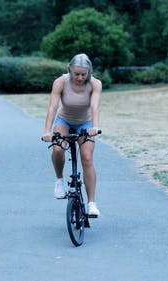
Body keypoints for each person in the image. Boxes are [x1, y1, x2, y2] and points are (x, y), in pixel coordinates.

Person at [42, 53, 102, 217]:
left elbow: (95, 107)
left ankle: (91, 204)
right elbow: (53, 108)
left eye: (84, 74)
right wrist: (47, 131)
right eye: (76, 74)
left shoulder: (95, 84)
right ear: (70, 70)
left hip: (85, 123)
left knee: (87, 157)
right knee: (57, 149)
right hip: (65, 121)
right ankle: (59, 181)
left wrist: (95, 127)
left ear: (89, 72)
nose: (80, 77)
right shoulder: (60, 82)